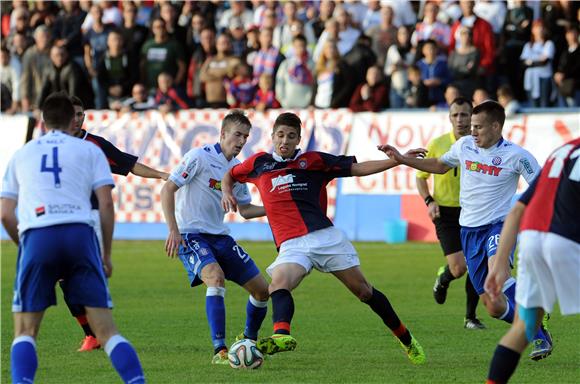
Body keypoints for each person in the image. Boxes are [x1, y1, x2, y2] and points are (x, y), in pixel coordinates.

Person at [221, 112, 427, 364]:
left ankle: (407, 340)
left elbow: (357, 168)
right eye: (281, 135)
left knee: (364, 291)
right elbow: (230, 174)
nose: (285, 140)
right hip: (292, 245)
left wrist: (399, 161)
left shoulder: (314, 160)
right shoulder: (258, 163)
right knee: (278, 284)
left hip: (324, 237)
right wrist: (226, 192)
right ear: (272, 136)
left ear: (299, 139)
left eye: (291, 136)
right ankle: (281, 335)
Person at [379, 100, 553, 360]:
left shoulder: (517, 155)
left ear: (496, 126)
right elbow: (440, 165)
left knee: (498, 274)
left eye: (478, 127)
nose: (472, 131)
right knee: (493, 306)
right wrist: (403, 159)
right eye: (471, 126)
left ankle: (537, 334)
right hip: (469, 230)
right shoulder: (464, 146)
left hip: (500, 225)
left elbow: (541, 186)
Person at [0, 92, 145, 384]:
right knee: (107, 331)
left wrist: (25, 246)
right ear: (72, 119)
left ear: (42, 120)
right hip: (80, 235)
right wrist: (105, 255)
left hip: (38, 236)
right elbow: (106, 204)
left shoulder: (22, 153)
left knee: (26, 332)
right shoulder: (90, 150)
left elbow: (4, 213)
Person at [161, 111, 270, 365]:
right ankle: (219, 351)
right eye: (237, 134)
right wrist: (173, 230)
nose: (241, 141)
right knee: (215, 277)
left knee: (263, 291)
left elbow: (245, 210)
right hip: (191, 234)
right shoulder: (199, 157)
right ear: (222, 134)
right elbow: (168, 188)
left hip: (220, 237)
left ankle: (248, 341)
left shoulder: (237, 171)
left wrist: (274, 207)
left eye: (245, 136)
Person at [64, 95, 169, 352]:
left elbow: (129, 164)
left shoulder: (95, 145)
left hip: (91, 220)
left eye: (80, 114)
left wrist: (163, 175)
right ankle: (91, 333)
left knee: (89, 277)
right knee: (65, 281)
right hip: (63, 220)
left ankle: (105, 332)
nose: (77, 119)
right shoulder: (51, 147)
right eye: (72, 114)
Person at [484, 138, 580, 383]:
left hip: (532, 239)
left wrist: (497, 267)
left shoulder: (562, 151)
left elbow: (517, 209)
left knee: (523, 327)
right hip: (567, 240)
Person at [415, 97, 484, 329]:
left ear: (472, 117)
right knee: (458, 268)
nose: (460, 120)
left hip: (473, 211)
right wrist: (428, 201)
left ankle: (470, 317)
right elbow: (421, 177)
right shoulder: (438, 144)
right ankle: (444, 278)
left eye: (465, 114)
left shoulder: (481, 144)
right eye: (455, 115)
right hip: (445, 213)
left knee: (475, 265)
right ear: (449, 118)